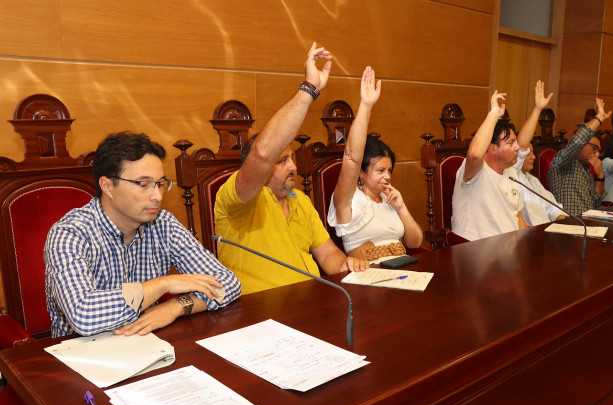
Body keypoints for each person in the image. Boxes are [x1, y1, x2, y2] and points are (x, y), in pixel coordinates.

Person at [44, 132, 241, 338]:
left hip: (147, 345)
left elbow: (228, 283)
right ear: (108, 186)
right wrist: (163, 284)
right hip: (81, 354)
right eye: (143, 184)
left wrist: (178, 306)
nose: (157, 196)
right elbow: (83, 316)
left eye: (160, 184)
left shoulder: (163, 224)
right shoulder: (69, 233)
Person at [214, 43, 369, 294]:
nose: (294, 167)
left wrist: (346, 264)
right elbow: (263, 153)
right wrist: (309, 89)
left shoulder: (302, 202)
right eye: (283, 160)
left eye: (292, 159)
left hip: (311, 305)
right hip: (258, 318)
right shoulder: (236, 200)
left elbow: (328, 254)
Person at [327, 66, 423, 260]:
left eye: (389, 170)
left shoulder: (389, 199)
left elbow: (415, 243)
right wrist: (366, 106)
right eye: (380, 170)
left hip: (402, 267)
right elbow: (351, 158)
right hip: (368, 273)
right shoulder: (348, 200)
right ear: (361, 173)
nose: (387, 176)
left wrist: (401, 207)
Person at [450, 91, 527, 241]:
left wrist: (525, 246)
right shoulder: (476, 171)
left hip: (508, 251)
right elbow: (475, 154)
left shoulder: (511, 172)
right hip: (475, 251)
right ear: (491, 148)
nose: (517, 147)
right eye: (511, 143)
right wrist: (493, 114)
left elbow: (518, 217)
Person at [511, 81, 568, 226]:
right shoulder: (512, 176)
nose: (534, 157)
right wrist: (537, 108)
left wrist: (565, 224)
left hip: (550, 232)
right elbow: (522, 144)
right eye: (528, 153)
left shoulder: (533, 181)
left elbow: (553, 207)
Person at [547, 97, 612, 216]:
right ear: (583, 145)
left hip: (587, 225)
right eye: (594, 148)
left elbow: (596, 204)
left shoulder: (586, 170)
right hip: (566, 225)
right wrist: (599, 118)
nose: (597, 154)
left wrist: (600, 177)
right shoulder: (563, 161)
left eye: (599, 151)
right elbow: (577, 142)